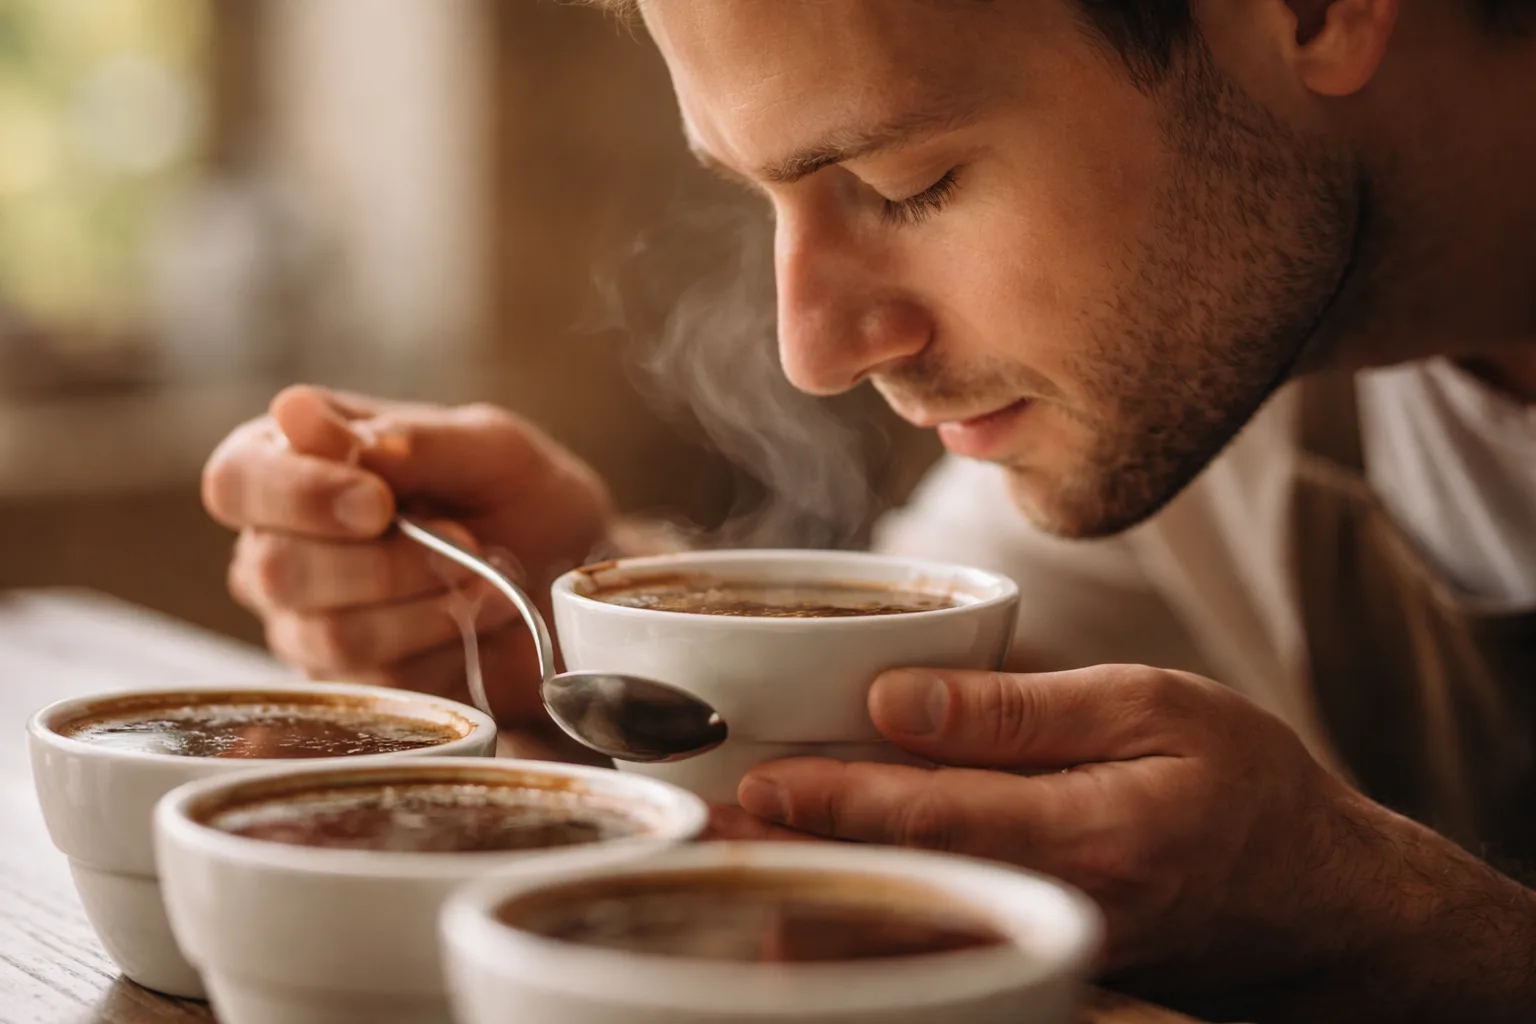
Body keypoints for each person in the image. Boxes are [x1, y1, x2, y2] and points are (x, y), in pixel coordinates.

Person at [201, 0, 1536, 1018]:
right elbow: (925, 708)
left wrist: (1392, 923)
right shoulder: (1202, 369)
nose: (814, 350)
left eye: (910, 186)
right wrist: (574, 604)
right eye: (766, 199)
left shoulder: (1189, 331)